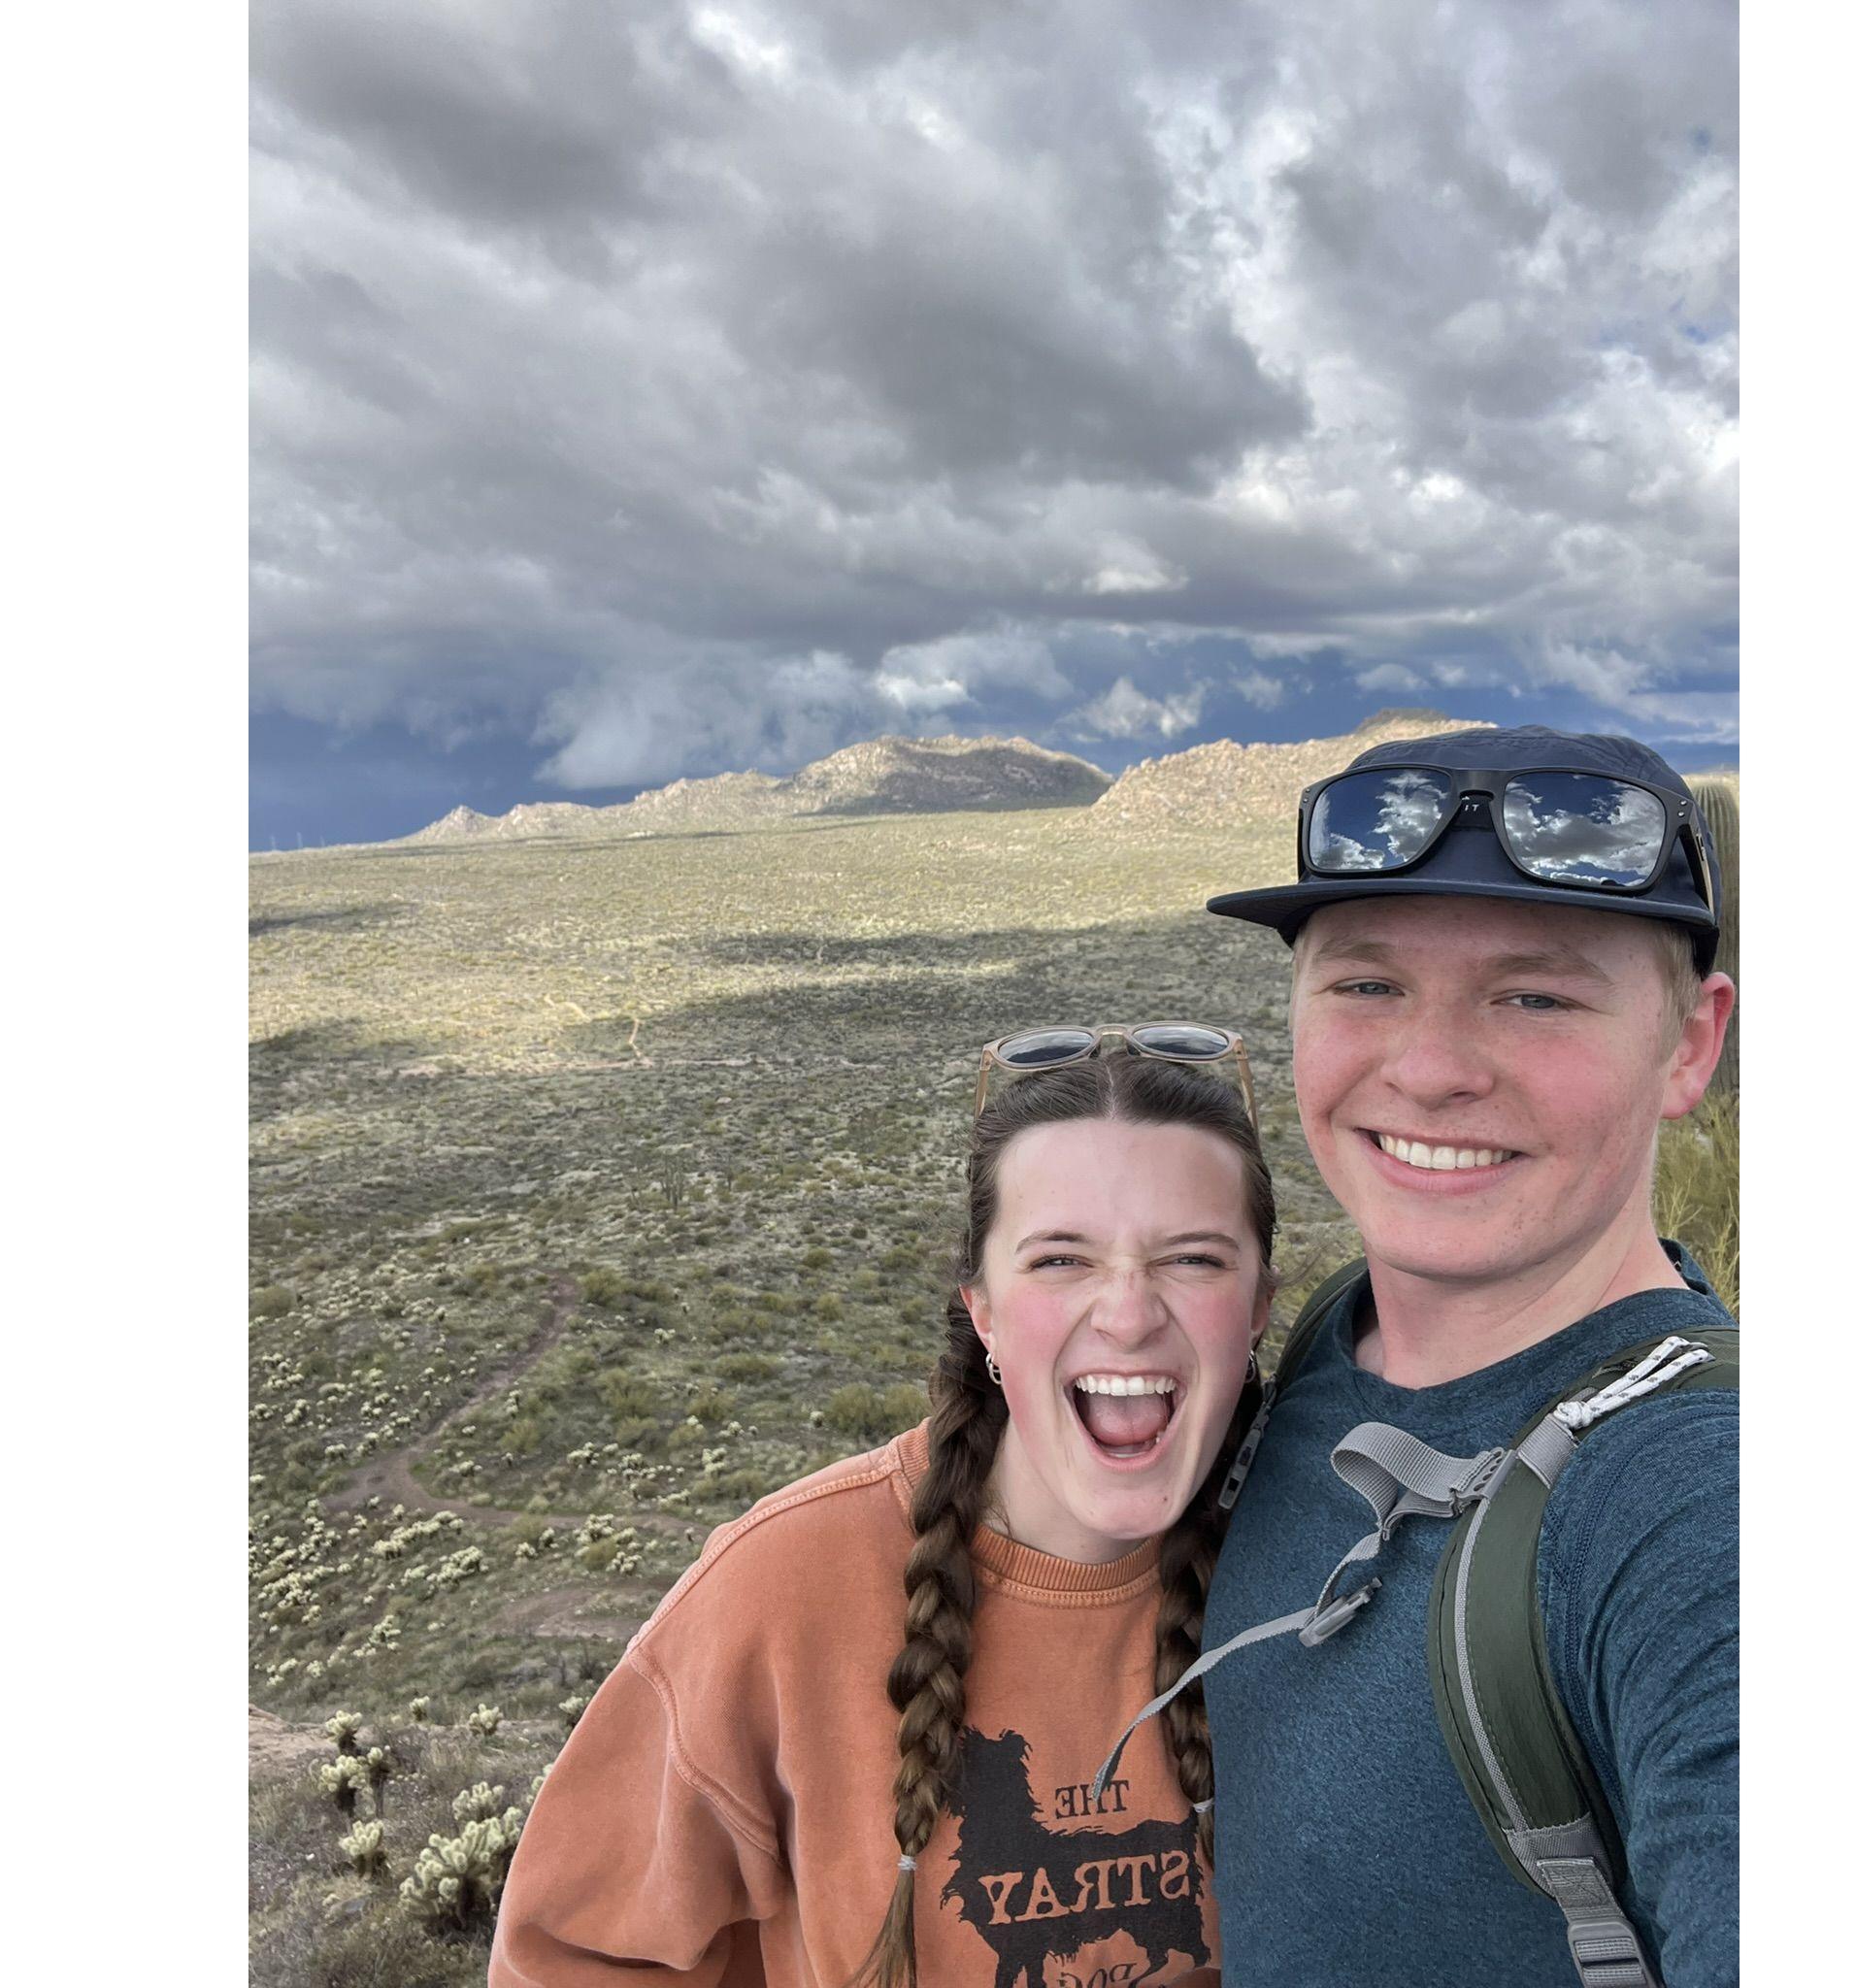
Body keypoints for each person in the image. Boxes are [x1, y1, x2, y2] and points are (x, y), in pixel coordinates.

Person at [490, 1041, 1276, 1987]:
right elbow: (566, 1955)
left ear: (1260, 1304)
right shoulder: (782, 1589)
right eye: (1059, 1257)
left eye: (1190, 1256)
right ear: (980, 1310)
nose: (1125, 1310)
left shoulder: (1321, 1572)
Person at [1193, 725, 1738, 1987]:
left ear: (1690, 1046)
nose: (1429, 1070)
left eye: (1535, 995)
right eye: (1366, 985)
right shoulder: (1333, 1333)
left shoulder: (1700, 1500)